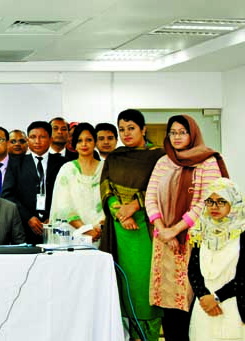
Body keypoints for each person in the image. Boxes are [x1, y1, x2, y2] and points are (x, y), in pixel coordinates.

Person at [145, 115, 228, 340]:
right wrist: (162, 228)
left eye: (182, 132)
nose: (177, 137)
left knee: (194, 299)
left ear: (193, 134)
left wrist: (177, 229)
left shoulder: (207, 161)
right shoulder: (163, 162)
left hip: (195, 241)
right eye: (173, 132)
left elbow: (208, 200)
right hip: (164, 243)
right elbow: (150, 196)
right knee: (169, 304)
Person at [98, 109, 166, 341]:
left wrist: (134, 206)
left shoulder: (159, 156)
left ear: (143, 129)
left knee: (145, 284)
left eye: (131, 128)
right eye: (122, 130)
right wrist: (120, 212)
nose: (126, 134)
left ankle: (150, 336)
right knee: (122, 284)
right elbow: (105, 188)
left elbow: (161, 188)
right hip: (119, 230)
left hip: (147, 228)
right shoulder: (115, 157)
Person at [187, 178, 245, 340]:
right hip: (206, 309)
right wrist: (204, 297)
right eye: (210, 201)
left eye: (221, 201)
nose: (214, 207)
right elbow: (193, 270)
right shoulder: (201, 231)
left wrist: (216, 298)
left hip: (237, 308)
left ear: (233, 203)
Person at [1, 121, 65, 245]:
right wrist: (28, 217)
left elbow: (66, 196)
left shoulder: (62, 163)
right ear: (28, 140)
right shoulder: (16, 164)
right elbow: (8, 194)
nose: (37, 141)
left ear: (50, 139)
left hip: (55, 226)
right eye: (33, 137)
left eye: (42, 137)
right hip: (24, 227)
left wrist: (53, 216)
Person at [50, 123, 104, 245]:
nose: (84, 144)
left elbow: (109, 199)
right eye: (79, 141)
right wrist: (85, 229)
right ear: (74, 144)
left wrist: (98, 228)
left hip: (100, 233)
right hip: (72, 234)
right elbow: (63, 205)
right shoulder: (67, 169)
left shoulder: (105, 169)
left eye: (88, 140)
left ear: (95, 142)